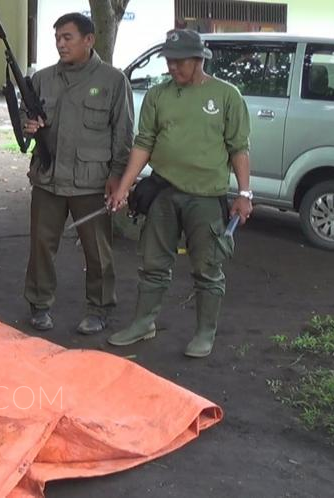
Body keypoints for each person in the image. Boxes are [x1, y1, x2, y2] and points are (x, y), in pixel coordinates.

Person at [106, 29, 253, 358]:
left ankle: (205, 333)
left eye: (179, 62)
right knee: (153, 263)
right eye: (169, 61)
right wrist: (125, 185)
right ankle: (144, 323)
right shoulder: (159, 95)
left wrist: (245, 193)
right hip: (164, 191)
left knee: (207, 267)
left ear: (199, 60)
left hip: (206, 196)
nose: (172, 67)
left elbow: (239, 148)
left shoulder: (227, 96)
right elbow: (144, 142)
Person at [22, 13, 134, 334]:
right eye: (57, 38)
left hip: (92, 181)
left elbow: (123, 135)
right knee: (41, 246)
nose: (60, 44)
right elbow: (24, 121)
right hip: (48, 178)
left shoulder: (113, 81)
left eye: (67, 37)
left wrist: (117, 178)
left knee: (97, 250)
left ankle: (99, 308)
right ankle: (39, 304)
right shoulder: (42, 79)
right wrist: (29, 127)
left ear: (89, 40)